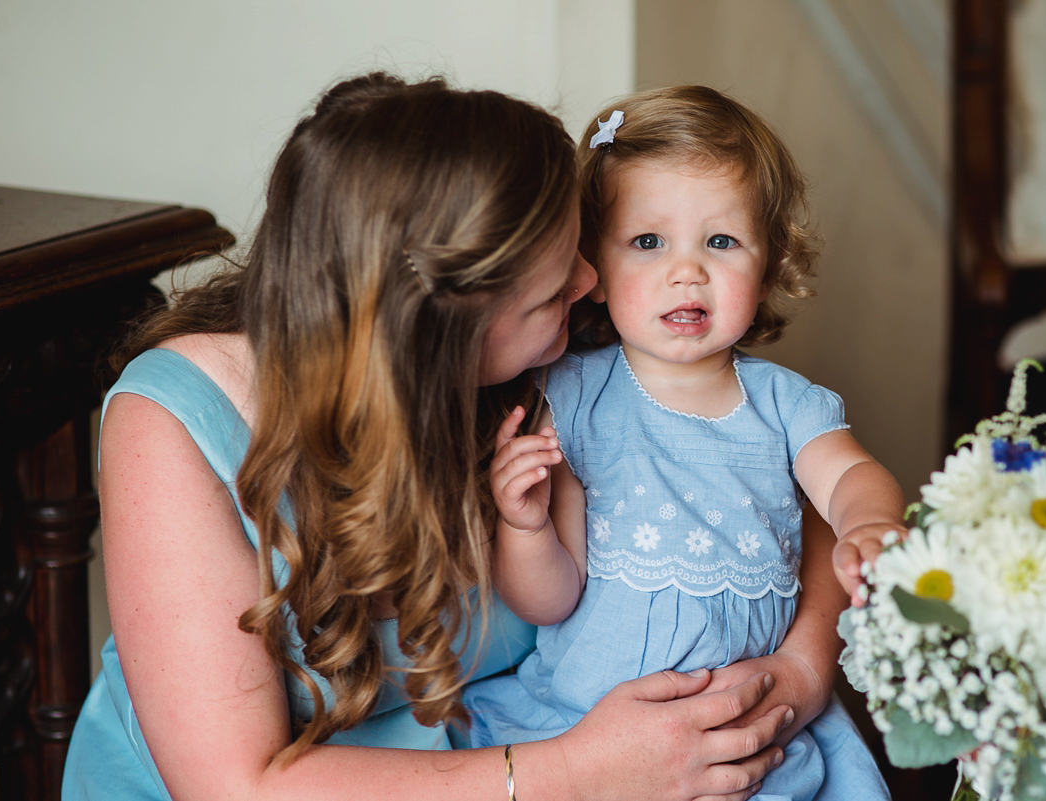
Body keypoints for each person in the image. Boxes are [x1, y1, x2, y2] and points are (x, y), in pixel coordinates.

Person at [61, 73, 834, 801]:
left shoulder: (555, 355)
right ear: (440, 332)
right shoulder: (171, 423)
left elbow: (785, 488)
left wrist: (799, 671)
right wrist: (579, 768)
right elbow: (238, 784)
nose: (590, 280)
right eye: (549, 288)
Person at [464, 86, 905, 800]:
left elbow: (850, 474)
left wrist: (871, 522)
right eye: (648, 241)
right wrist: (524, 526)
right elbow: (551, 597)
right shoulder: (573, 395)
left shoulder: (785, 403)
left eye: (721, 241)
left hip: (749, 739)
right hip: (585, 726)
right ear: (592, 270)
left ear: (769, 266)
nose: (686, 269)